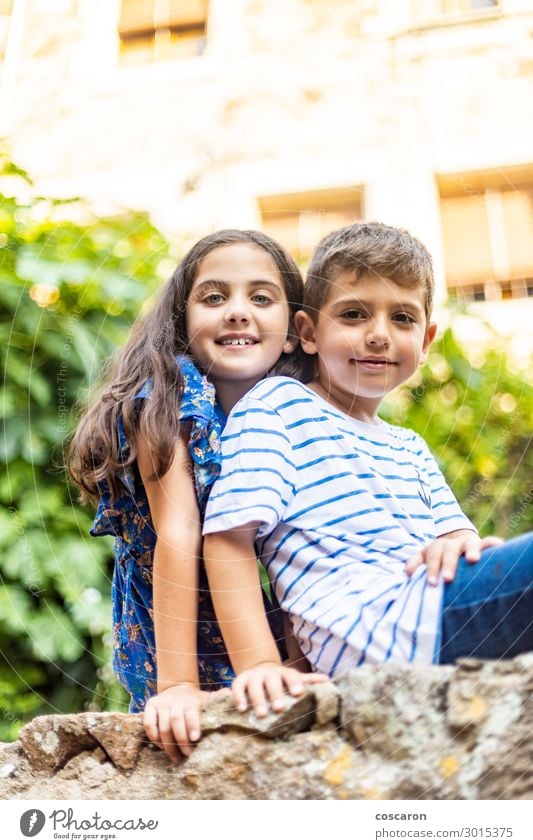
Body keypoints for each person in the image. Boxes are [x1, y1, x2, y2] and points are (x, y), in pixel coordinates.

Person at [203, 221, 533, 717]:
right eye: (354, 314)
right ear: (308, 332)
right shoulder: (279, 406)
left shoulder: (410, 446)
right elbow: (228, 539)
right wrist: (258, 665)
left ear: (425, 342)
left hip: (434, 609)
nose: (379, 335)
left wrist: (454, 542)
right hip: (383, 631)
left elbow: (457, 537)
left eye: (402, 319)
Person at [67, 228, 319, 759]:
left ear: (296, 330)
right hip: (176, 630)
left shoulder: (299, 410)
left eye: (261, 297)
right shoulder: (168, 397)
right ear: (182, 321)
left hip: (259, 626)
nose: (237, 311)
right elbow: (178, 533)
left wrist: (302, 666)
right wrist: (177, 686)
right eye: (213, 296)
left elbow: (301, 548)